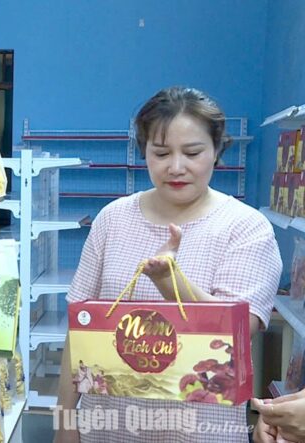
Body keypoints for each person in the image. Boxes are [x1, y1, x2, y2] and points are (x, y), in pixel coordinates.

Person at [54, 86, 282, 443]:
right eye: (161, 153)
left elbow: (237, 331)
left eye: (192, 152)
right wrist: (65, 425)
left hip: (202, 432)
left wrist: (171, 283)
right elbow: (79, 330)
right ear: (144, 150)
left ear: (217, 150)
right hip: (107, 427)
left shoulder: (245, 227)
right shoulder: (112, 219)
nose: (176, 167)